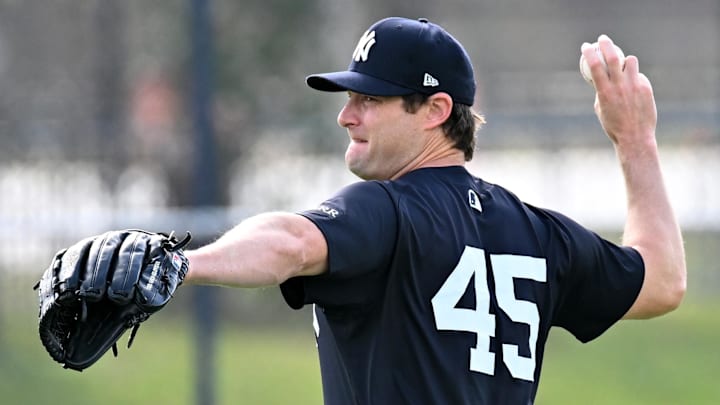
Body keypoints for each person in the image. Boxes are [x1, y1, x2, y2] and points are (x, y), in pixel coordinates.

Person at [184, 17, 686, 404]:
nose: (345, 115)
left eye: (369, 98)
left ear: (436, 110)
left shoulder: (388, 211)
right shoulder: (538, 234)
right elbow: (662, 281)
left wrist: (180, 264)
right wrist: (635, 139)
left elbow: (289, 243)